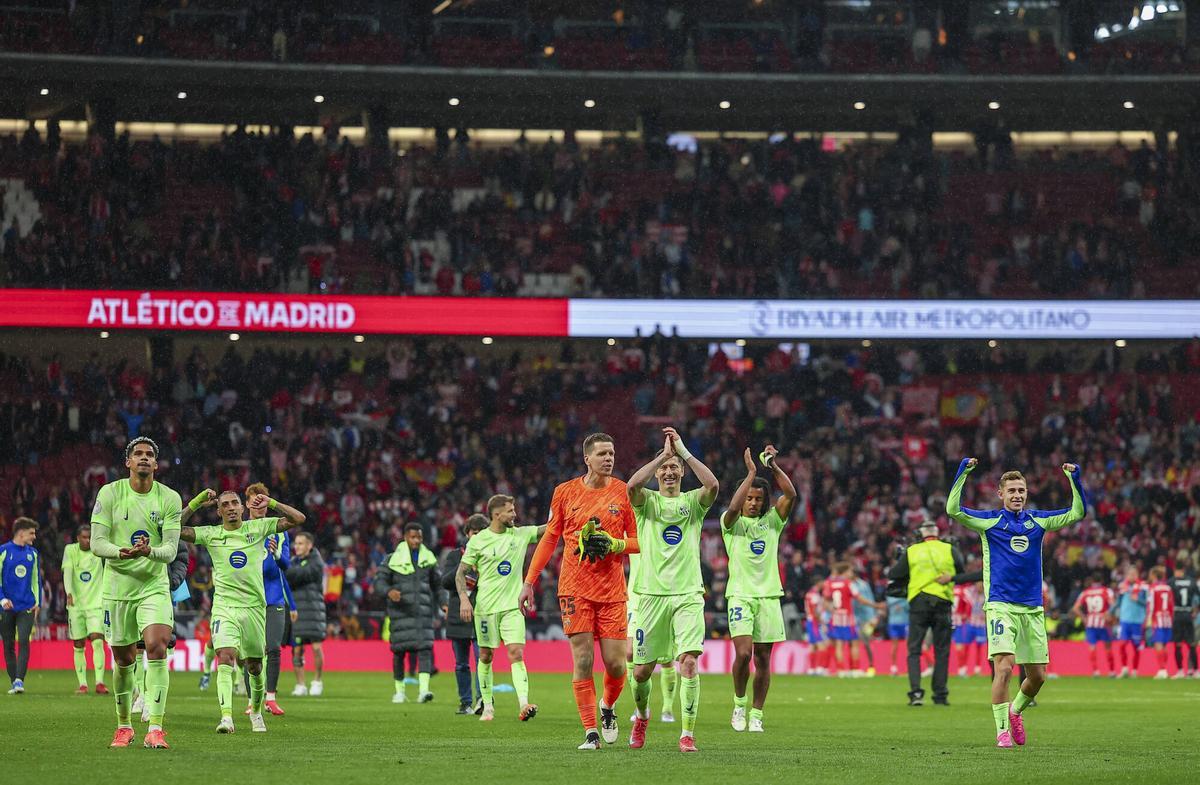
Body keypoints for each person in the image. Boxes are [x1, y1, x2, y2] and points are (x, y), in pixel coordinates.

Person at [946, 457, 1086, 748]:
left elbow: (1077, 513)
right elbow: (953, 510)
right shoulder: (990, 522)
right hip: (1001, 606)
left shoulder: (1038, 521)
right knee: (1005, 667)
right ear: (1001, 494)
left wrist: (1074, 479)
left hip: (1033, 608)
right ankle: (1001, 732)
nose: (1017, 495)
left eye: (1021, 490)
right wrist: (964, 471)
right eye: (1011, 491)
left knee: (1037, 677)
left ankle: (1015, 711)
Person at [519, 432, 640, 751]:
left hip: (613, 590)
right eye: (602, 454)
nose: (609, 459)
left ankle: (608, 708)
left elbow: (640, 542)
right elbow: (549, 539)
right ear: (587, 458)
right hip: (574, 589)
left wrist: (616, 544)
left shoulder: (625, 492)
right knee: (583, 659)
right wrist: (529, 581)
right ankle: (590, 733)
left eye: (612, 453)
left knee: (616, 664)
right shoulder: (565, 492)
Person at [180, 488, 305, 733]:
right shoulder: (211, 534)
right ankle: (226, 717)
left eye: (234, 503)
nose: (230, 507)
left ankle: (256, 712)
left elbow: (298, 519)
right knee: (225, 656)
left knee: (255, 666)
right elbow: (171, 529)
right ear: (218, 511)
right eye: (224, 504)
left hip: (254, 608)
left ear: (242, 507)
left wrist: (272, 502)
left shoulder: (257, 528)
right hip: (225, 607)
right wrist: (195, 503)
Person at [625, 426, 718, 752]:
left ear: (681, 472)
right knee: (640, 673)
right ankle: (642, 716)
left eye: (673, 468)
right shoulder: (646, 502)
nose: (668, 472)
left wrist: (684, 452)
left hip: (688, 594)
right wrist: (662, 455)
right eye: (664, 468)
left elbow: (712, 485)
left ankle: (687, 734)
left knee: (688, 662)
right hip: (650, 595)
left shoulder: (693, 502)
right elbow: (633, 485)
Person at [90, 436, 182, 749]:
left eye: (149, 455)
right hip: (117, 587)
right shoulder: (110, 493)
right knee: (124, 659)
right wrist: (122, 552)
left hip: (153, 585)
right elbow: (96, 542)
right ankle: (124, 726)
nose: (144, 458)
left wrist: (148, 552)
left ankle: (155, 727)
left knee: (157, 646)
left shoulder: (169, 498)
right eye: (138, 454)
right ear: (128, 462)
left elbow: (170, 551)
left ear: (156, 464)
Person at [721, 444, 795, 734]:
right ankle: (739, 704)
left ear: (764, 503)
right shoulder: (732, 525)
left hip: (768, 597)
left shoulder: (773, 522)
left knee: (764, 659)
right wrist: (751, 473)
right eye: (749, 497)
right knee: (743, 654)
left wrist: (773, 467)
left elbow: (790, 494)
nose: (752, 502)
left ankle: (756, 714)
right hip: (739, 595)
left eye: (757, 499)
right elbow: (732, 508)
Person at [458, 494, 547, 721]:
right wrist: (464, 599)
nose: (514, 514)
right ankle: (487, 706)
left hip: (512, 608)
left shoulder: (519, 534)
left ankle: (524, 703)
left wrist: (564, 514)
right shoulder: (478, 541)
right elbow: (461, 573)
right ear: (497, 514)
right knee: (486, 656)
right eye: (510, 511)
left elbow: (545, 530)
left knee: (516, 653)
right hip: (486, 609)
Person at [241, 482, 295, 715]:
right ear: (247, 504)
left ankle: (270, 697)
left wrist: (275, 553)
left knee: (273, 647)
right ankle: (253, 700)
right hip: (249, 598)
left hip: (273, 599)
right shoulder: (239, 530)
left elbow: (286, 565)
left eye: (262, 500)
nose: (259, 505)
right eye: (254, 501)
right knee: (251, 650)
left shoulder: (279, 531)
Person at [376, 522, 441, 704]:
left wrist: (443, 603)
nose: (416, 541)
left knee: (425, 650)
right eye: (413, 537)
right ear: (405, 537)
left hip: (423, 613)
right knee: (399, 653)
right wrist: (389, 591)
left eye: (419, 537)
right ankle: (399, 692)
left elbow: (438, 585)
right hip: (400, 613)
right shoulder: (391, 559)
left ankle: (424, 691)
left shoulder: (429, 559)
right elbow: (379, 582)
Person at [443, 514, 486, 714]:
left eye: (481, 533)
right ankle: (465, 702)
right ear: (467, 533)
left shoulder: (490, 555)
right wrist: (463, 567)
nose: (476, 536)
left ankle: (482, 701)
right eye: (473, 533)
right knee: (461, 664)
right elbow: (445, 582)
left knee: (482, 660)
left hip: (482, 613)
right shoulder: (454, 555)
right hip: (458, 615)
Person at [62, 524, 108, 694]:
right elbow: (67, 572)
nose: (87, 540)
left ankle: (100, 682)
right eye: (84, 537)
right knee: (79, 644)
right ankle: (82, 684)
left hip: (96, 604)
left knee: (97, 640)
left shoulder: (98, 550)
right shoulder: (70, 550)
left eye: (90, 537)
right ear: (77, 538)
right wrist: (68, 592)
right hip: (76, 605)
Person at [0, 517, 40, 695]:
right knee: (8, 644)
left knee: (23, 640)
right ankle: (13, 679)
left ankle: (19, 680)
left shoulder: (33, 553)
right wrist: (2, 599)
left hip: (26, 606)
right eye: (32, 533)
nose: (34, 536)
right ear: (21, 533)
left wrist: (37, 603)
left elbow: (36, 579)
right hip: (6, 607)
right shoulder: (3, 551)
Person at [824, 562, 884, 677]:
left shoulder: (831, 584)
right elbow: (860, 599)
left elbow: (826, 600)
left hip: (836, 617)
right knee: (854, 643)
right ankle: (854, 670)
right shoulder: (848, 583)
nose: (851, 573)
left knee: (839, 644)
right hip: (848, 618)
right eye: (850, 571)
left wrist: (831, 609)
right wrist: (876, 605)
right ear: (845, 572)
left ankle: (841, 670)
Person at [288, 531, 327, 696]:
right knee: (297, 649)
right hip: (297, 610)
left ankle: (317, 681)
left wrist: (285, 571)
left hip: (313, 609)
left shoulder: (316, 562)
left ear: (309, 545)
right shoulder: (293, 562)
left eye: (301, 543)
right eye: (296, 543)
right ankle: (300, 684)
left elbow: (300, 575)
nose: (297, 546)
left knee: (317, 648)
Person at [1071, 572, 1116, 677]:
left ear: (1092, 581)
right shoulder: (1106, 591)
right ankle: (1111, 671)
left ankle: (1096, 671)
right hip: (1103, 622)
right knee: (1108, 647)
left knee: (1092, 646)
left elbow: (1075, 608)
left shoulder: (1086, 593)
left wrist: (1084, 618)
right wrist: (1108, 614)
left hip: (1090, 622)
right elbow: (1113, 605)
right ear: (1102, 580)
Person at [1114, 566, 1147, 678]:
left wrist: (1138, 599)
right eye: (1130, 574)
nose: (1132, 576)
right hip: (1125, 620)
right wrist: (1110, 611)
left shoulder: (1143, 587)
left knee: (1136, 646)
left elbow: (1147, 603)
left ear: (1138, 575)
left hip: (1137, 621)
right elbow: (1118, 601)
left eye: (1134, 574)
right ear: (1127, 575)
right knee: (1122, 644)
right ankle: (1124, 669)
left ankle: (1135, 670)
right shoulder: (1123, 586)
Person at [1169, 564, 1198, 678]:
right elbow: (1197, 597)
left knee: (1178, 644)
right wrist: (1195, 610)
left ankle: (1180, 671)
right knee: (1191, 644)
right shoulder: (1192, 582)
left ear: (1176, 570)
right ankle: (1196, 671)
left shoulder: (1171, 582)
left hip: (1177, 614)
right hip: (1188, 614)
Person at [1146, 566, 1175, 679]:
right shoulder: (1168, 588)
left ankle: (1162, 670)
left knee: (1158, 644)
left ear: (1153, 575)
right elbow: (1171, 605)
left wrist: (1149, 619)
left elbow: (1151, 605)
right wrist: (1171, 618)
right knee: (1164, 645)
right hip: (1167, 619)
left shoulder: (1153, 588)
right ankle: (1164, 669)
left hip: (1157, 619)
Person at [804, 578, 829, 675]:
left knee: (812, 645)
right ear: (818, 583)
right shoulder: (814, 594)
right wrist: (821, 621)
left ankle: (811, 668)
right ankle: (819, 668)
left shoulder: (810, 593)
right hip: (814, 622)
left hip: (810, 621)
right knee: (822, 645)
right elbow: (814, 610)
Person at [885, 593, 909, 676]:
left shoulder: (890, 595)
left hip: (900, 622)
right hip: (898, 622)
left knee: (906, 646)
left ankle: (907, 668)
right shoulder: (905, 594)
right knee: (896, 646)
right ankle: (894, 667)